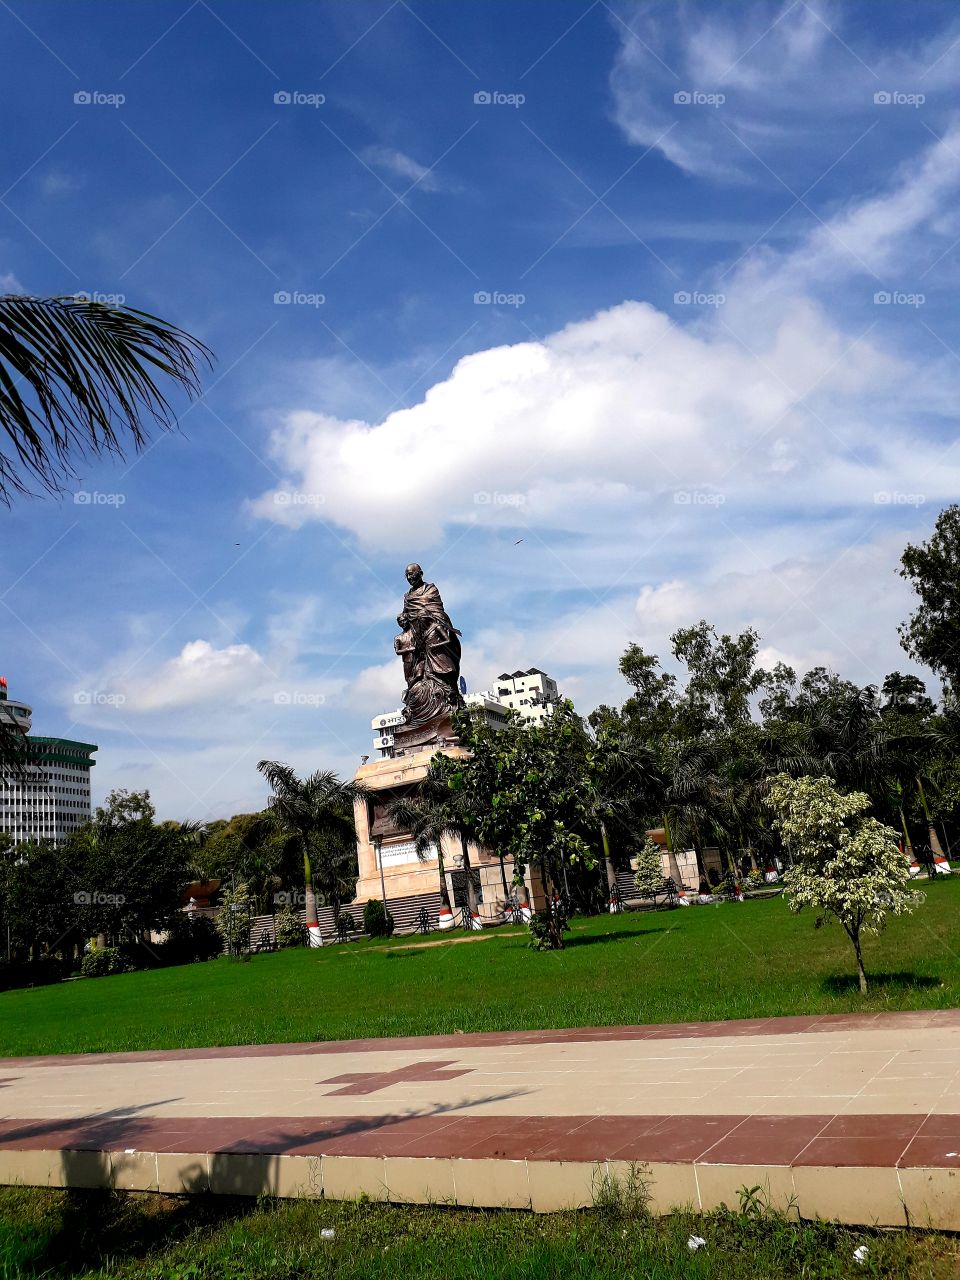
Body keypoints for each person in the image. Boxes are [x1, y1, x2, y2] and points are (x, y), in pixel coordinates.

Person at [395, 563, 463, 726]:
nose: (409, 577)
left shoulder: (430, 589)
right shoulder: (407, 596)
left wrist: (425, 615)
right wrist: (404, 618)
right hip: (417, 635)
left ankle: (449, 695)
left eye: (412, 574)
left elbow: (438, 610)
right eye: (407, 575)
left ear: (420, 573)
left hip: (433, 632)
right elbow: (405, 615)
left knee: (440, 663)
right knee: (419, 672)